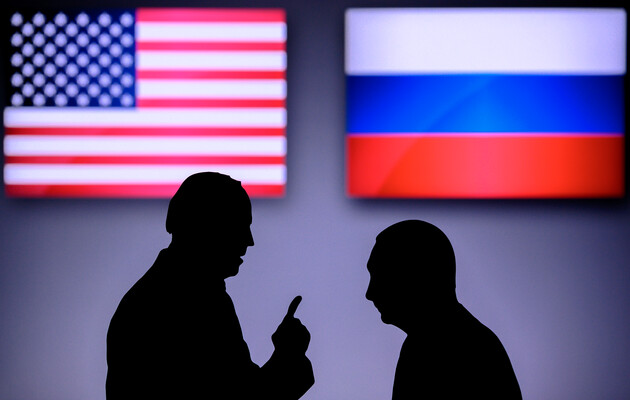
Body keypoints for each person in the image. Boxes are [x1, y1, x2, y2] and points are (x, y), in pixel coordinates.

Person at [106, 172, 314, 399]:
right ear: (206, 227)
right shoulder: (194, 304)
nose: (249, 240)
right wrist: (289, 354)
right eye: (239, 225)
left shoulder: (166, 295)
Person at [365, 220, 521, 399]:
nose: (369, 293)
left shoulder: (465, 348)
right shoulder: (422, 346)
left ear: (414, 275)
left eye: (380, 275)